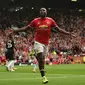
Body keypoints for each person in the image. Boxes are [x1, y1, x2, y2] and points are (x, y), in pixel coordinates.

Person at [11, 7, 75, 84]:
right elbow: (26, 28)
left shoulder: (50, 20)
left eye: (44, 10)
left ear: (46, 12)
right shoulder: (35, 21)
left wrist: (68, 33)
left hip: (46, 44)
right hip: (38, 42)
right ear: (39, 12)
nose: (42, 11)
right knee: (41, 59)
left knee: (42, 60)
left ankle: (37, 58)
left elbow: (58, 29)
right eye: (41, 10)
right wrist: (15, 30)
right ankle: (44, 77)